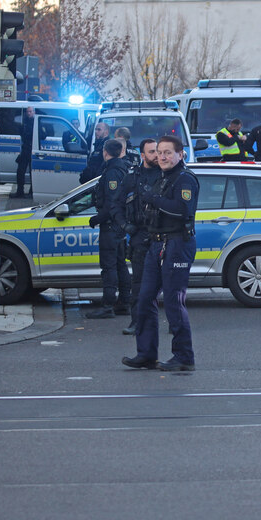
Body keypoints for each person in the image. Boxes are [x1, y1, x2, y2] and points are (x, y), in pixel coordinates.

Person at [124, 135, 198, 372]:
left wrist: (153, 198)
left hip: (176, 244)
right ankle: (146, 354)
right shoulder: (162, 179)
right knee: (144, 298)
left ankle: (184, 357)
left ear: (180, 155)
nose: (162, 157)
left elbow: (182, 210)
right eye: (159, 152)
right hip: (156, 244)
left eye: (168, 152)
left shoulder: (185, 179)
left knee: (174, 301)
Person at [85, 139, 133, 320]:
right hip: (118, 225)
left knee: (109, 266)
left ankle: (108, 305)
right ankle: (124, 303)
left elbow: (112, 202)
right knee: (120, 264)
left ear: (106, 152)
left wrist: (97, 218)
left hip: (111, 226)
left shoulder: (112, 172)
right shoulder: (121, 168)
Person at [119, 138, 162, 335]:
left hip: (163, 235)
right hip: (140, 235)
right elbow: (115, 205)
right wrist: (125, 226)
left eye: (158, 151)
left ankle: (174, 321)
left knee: (169, 284)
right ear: (143, 155)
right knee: (139, 283)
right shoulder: (132, 177)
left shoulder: (168, 174)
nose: (157, 155)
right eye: (152, 152)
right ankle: (137, 322)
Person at [14, 106, 35, 198]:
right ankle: (20, 191)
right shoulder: (24, 122)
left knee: (33, 173)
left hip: (33, 150)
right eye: (27, 111)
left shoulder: (36, 122)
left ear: (34, 112)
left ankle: (32, 191)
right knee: (20, 171)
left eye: (30, 111)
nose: (29, 113)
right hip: (25, 149)